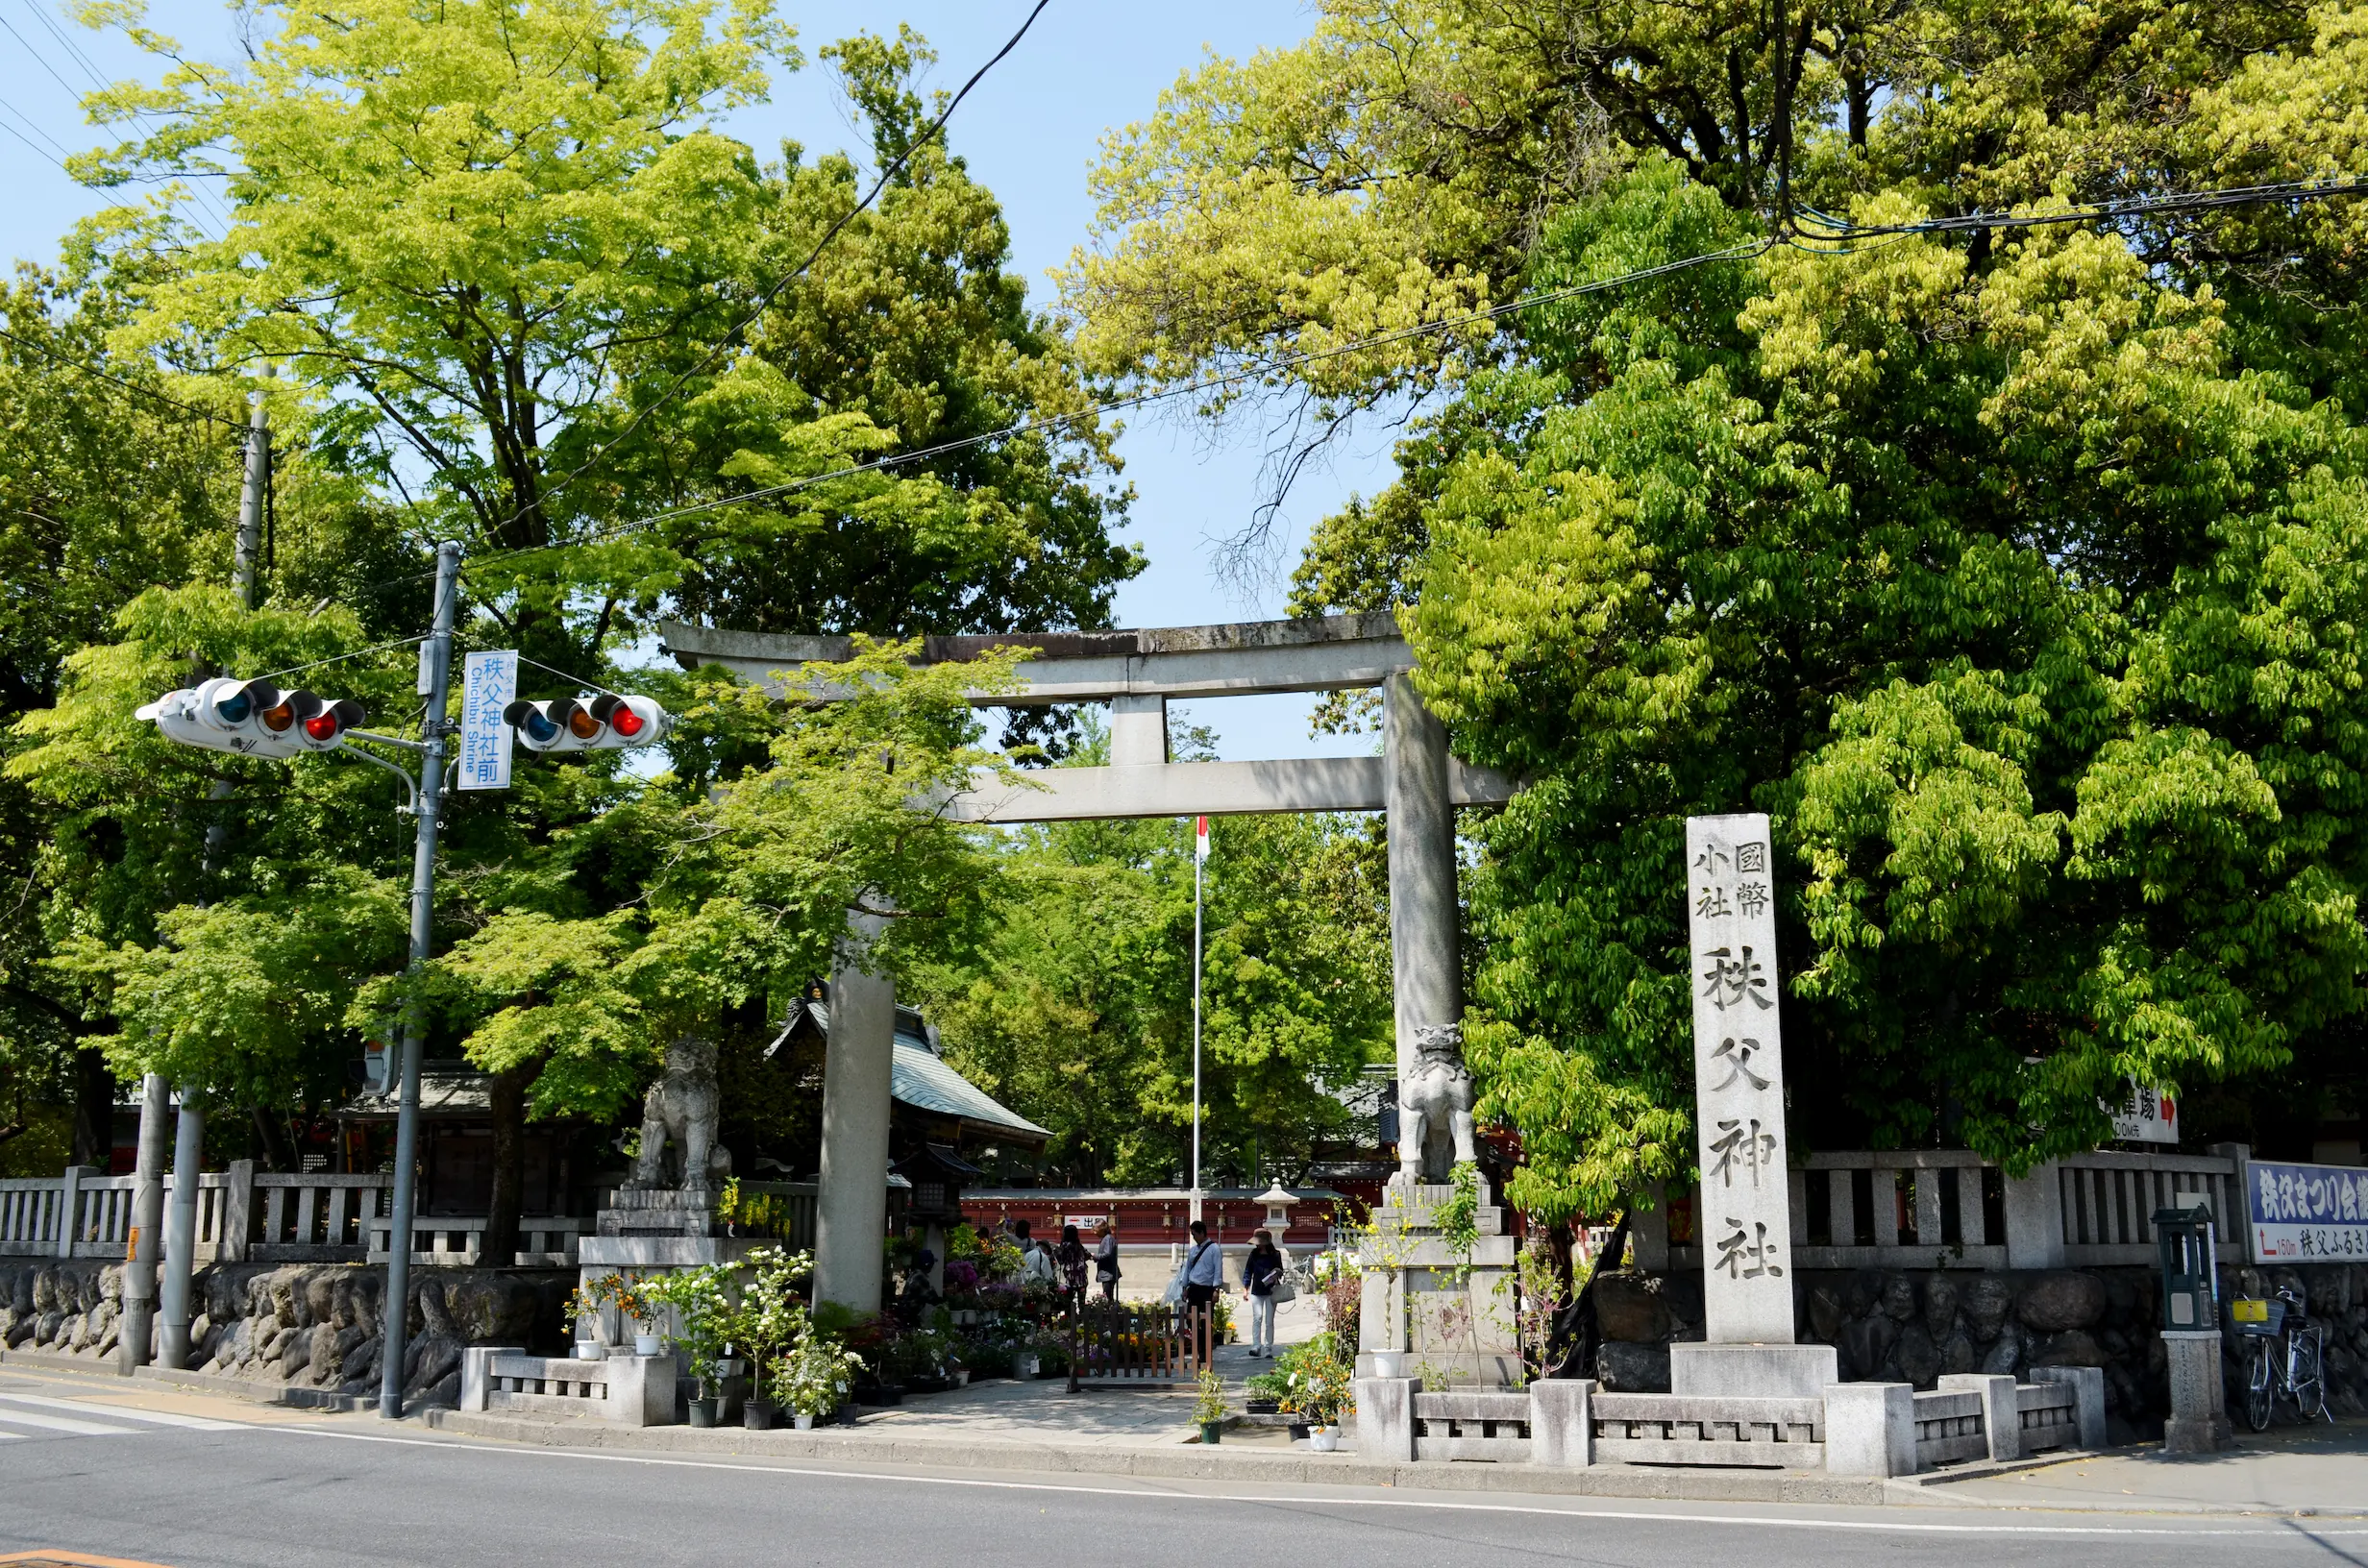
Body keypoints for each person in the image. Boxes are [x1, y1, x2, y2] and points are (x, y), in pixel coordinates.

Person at [1180, 1218, 1222, 1366]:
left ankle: (1205, 1353)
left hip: (1207, 1289)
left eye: (1195, 1234)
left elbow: (1218, 1269)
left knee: (1206, 1321)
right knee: (1190, 1320)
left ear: (1202, 1233)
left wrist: (1216, 1289)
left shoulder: (1214, 1249)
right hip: (1193, 1288)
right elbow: (1187, 1270)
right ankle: (1199, 1348)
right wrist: (1184, 1287)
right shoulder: (1193, 1251)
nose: (1193, 1238)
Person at [1241, 1229, 1287, 1357]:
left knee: (1269, 1320)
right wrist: (1246, 1288)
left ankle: (1268, 1347)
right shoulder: (1253, 1254)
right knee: (1257, 1318)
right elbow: (1248, 1272)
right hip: (1256, 1290)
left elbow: (1280, 1270)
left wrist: (1276, 1273)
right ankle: (1256, 1345)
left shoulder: (1275, 1254)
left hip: (1271, 1290)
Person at [1056, 1222, 1090, 1311]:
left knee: (1068, 1301)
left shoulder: (1064, 1246)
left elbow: (1061, 1260)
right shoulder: (1079, 1246)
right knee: (1082, 1302)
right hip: (1081, 1276)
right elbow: (1087, 1255)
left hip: (1070, 1276)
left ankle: (1069, 1320)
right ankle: (1083, 1320)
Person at [1013, 1218, 1056, 1286]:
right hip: (1034, 1284)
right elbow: (1048, 1277)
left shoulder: (1027, 1254)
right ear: (1046, 1250)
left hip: (1021, 1279)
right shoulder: (1042, 1256)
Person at [1094, 1220, 1122, 1305]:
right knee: (1107, 1296)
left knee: (1108, 1297)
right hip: (1106, 1273)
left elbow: (1107, 1254)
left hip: (1108, 1273)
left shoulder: (1108, 1238)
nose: (1095, 1233)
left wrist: (1095, 1256)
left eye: (1096, 1230)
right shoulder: (1105, 1239)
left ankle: (1110, 1314)